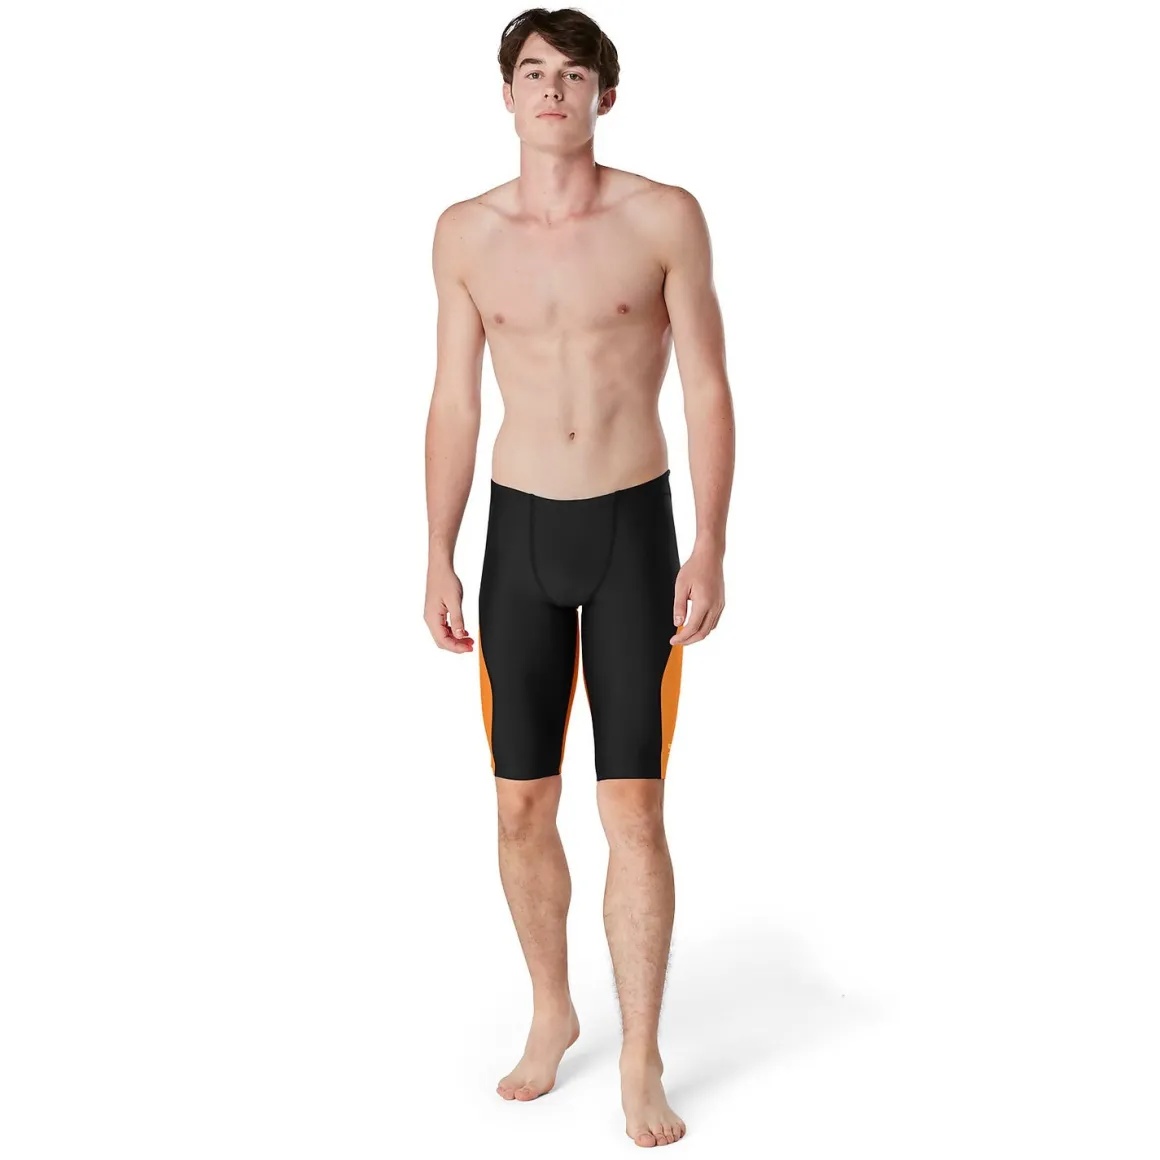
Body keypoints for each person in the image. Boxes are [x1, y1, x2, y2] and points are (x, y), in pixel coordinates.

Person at [423, 7, 734, 1148]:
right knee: (519, 805)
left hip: (632, 531)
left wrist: (709, 541)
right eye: (533, 71)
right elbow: (454, 399)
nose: (552, 88)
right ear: (506, 94)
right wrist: (437, 548)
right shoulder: (465, 234)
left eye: (573, 73)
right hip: (516, 537)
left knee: (633, 807)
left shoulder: (662, 216)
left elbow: (706, 384)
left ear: (607, 93)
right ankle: (552, 1008)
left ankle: (641, 1052)